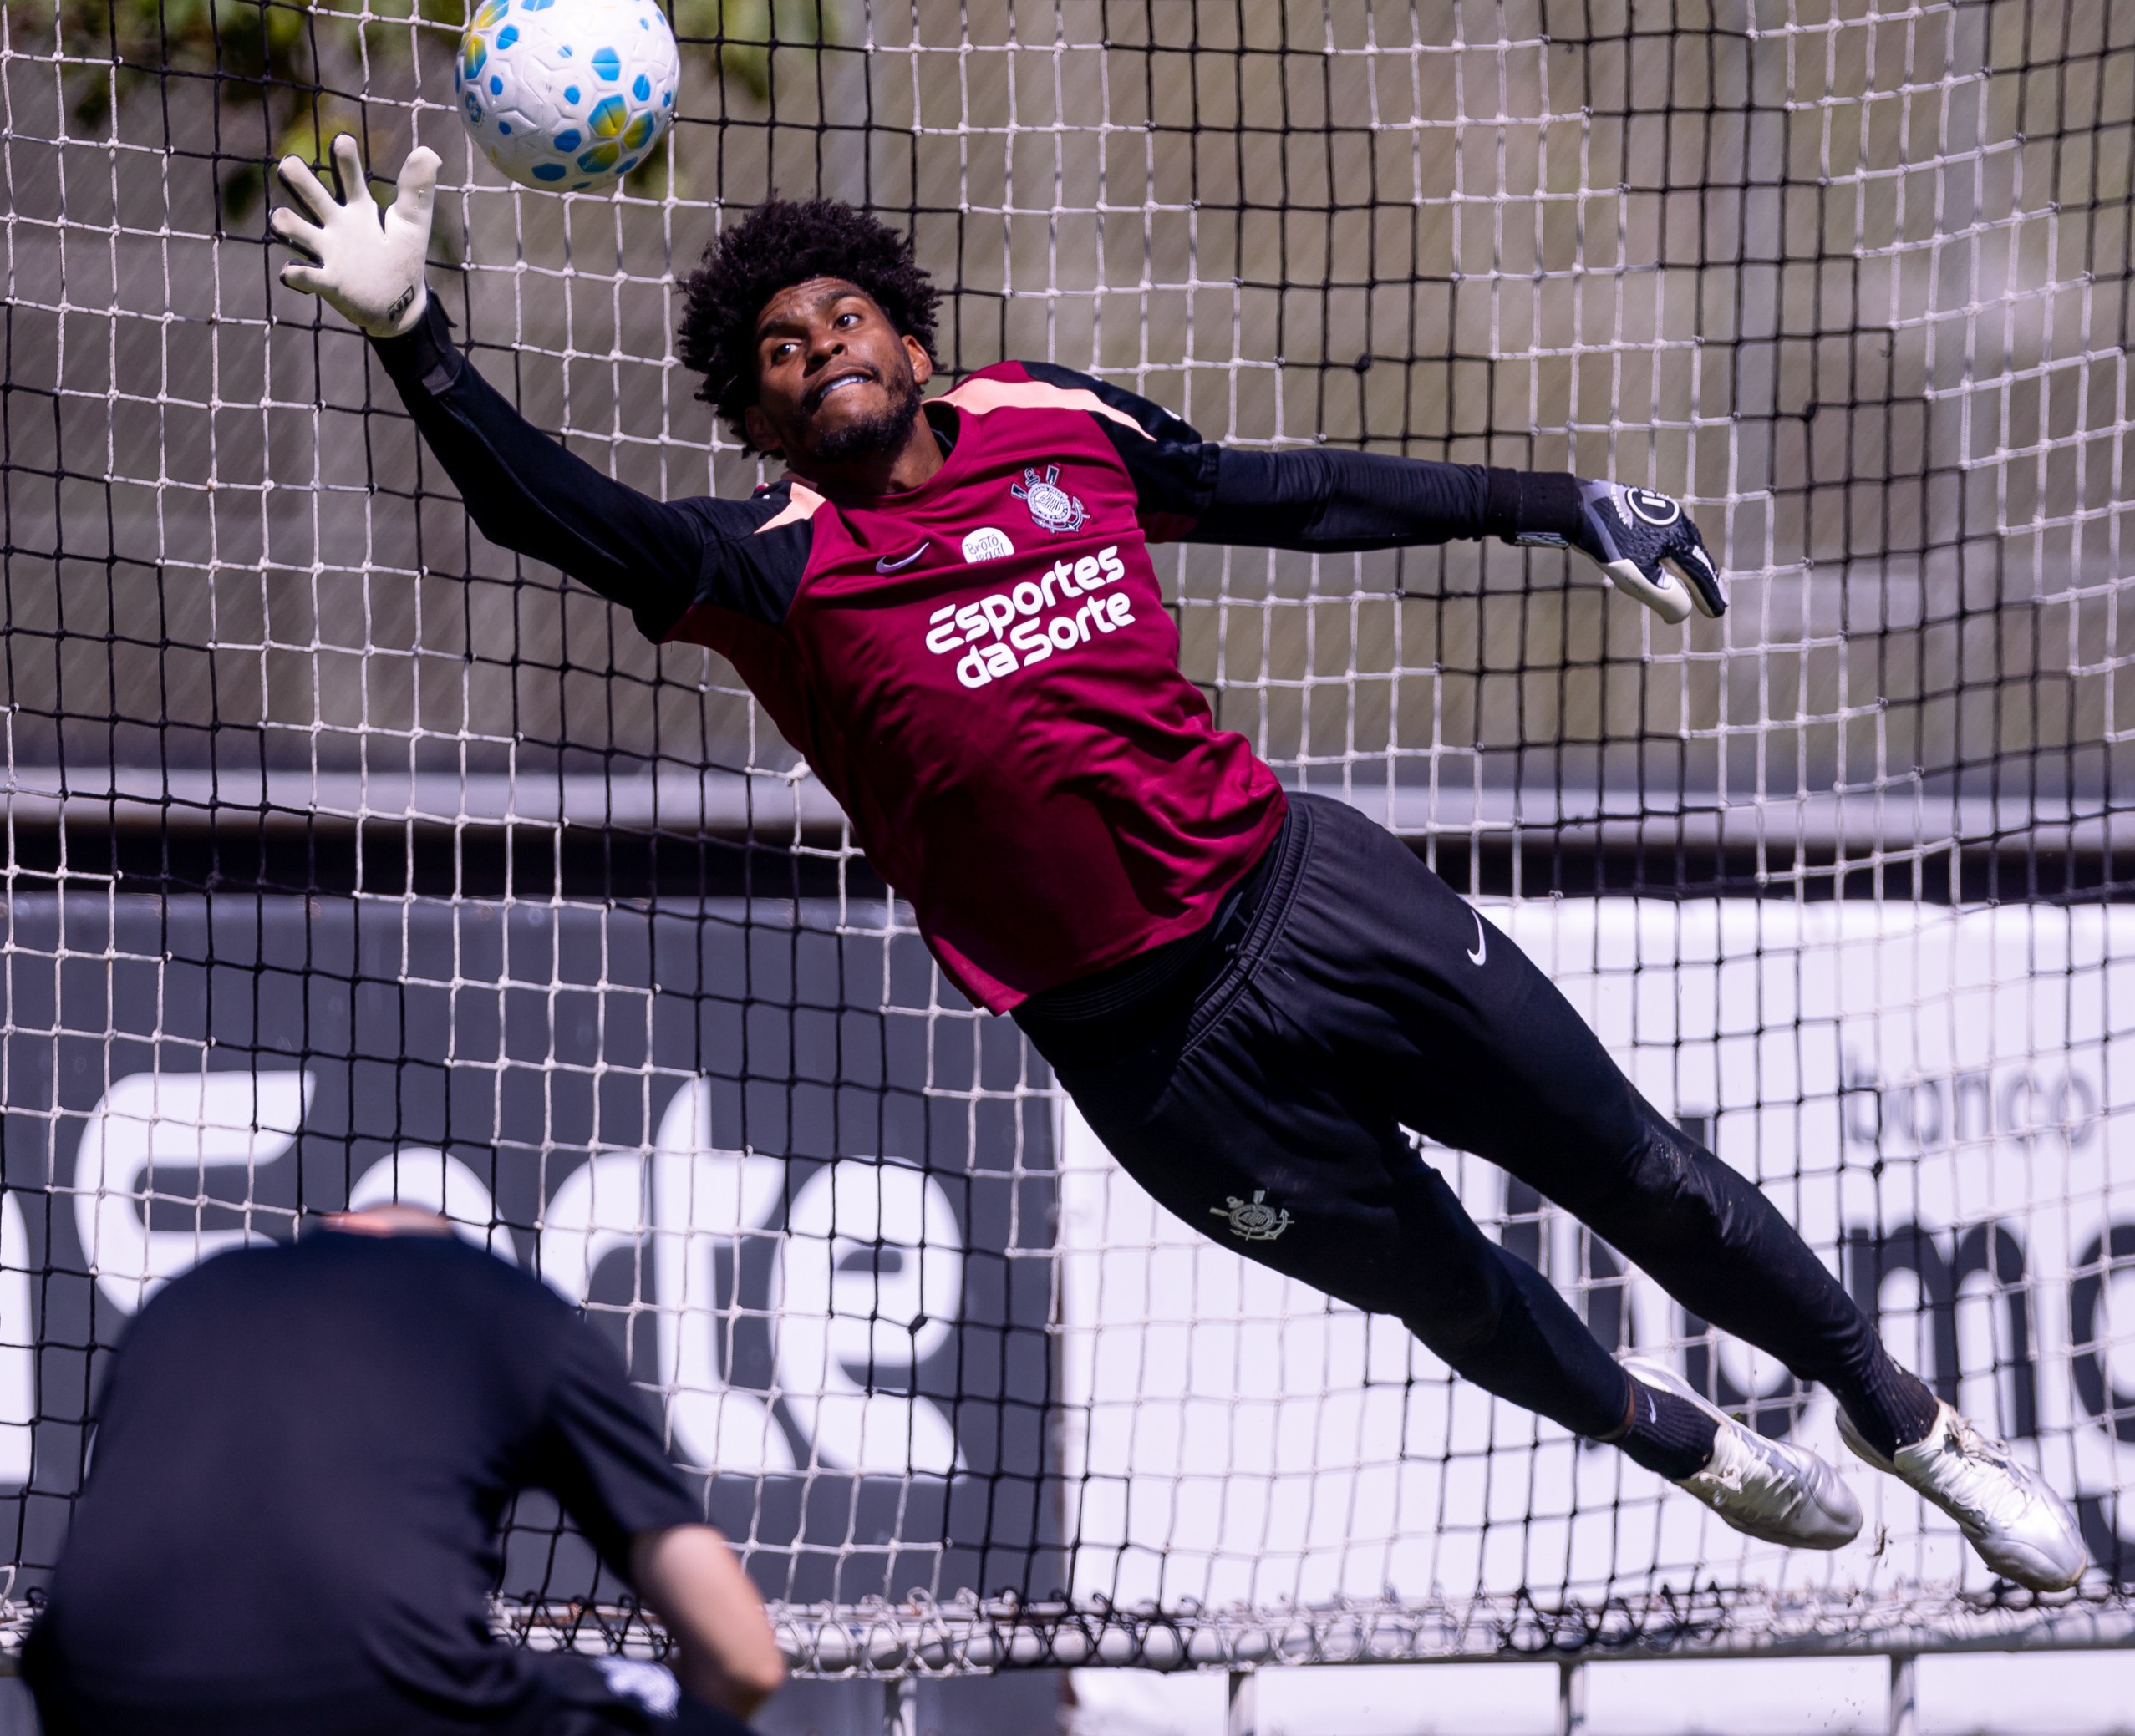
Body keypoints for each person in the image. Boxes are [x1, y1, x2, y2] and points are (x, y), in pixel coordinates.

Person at [268, 135, 2087, 1592]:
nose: (816, 349)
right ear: (751, 420)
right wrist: (415, 337)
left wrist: (1551, 506)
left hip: (1316, 896)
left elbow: (1284, 494)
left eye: (840, 318)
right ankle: (1671, 1440)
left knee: (1633, 1171)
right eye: (775, 351)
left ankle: (1912, 1426)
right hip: (1151, 1057)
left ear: (909, 336)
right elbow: (548, 516)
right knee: (1446, 1293)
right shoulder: (761, 566)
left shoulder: (1055, 422)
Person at [24, 1206, 786, 1736]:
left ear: (342, 1231)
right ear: (448, 1247)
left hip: (92, 1695)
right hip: (378, 1695)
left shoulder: (185, 1298)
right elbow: (742, 1656)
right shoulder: (509, 1304)